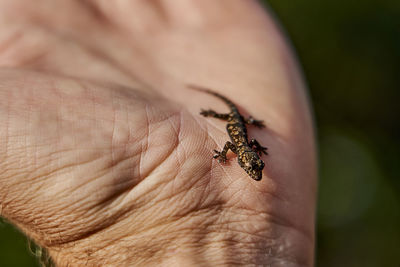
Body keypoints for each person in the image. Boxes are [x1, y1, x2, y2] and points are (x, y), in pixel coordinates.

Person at [0, 1, 317, 266]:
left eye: (254, 167)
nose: (255, 170)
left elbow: (241, 144)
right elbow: (240, 143)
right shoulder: (242, 145)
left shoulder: (242, 146)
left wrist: (162, 231)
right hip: (233, 117)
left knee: (237, 120)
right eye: (253, 166)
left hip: (237, 123)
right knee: (231, 116)